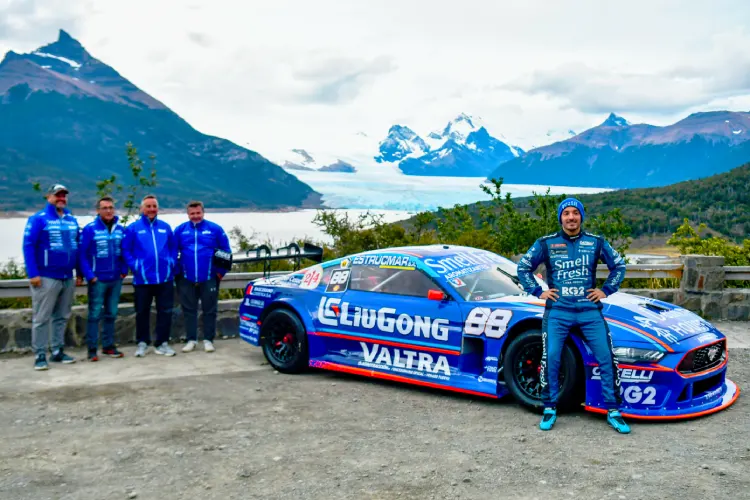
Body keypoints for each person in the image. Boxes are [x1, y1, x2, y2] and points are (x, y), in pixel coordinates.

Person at [516, 197, 630, 434]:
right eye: (566, 213)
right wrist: (539, 291)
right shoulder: (546, 243)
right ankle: (549, 407)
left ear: (581, 217)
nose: (570, 217)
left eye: (575, 213)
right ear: (561, 217)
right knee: (552, 357)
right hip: (558, 311)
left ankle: (613, 410)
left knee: (607, 357)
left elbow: (619, 266)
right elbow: (523, 267)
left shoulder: (596, 242)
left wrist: (605, 290)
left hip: (590, 311)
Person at [22, 184, 82, 370]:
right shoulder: (38, 219)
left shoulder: (71, 220)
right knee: (41, 317)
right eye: (57, 195)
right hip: (46, 277)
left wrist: (79, 272)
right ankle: (40, 354)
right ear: (48, 197)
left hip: (67, 276)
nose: (61, 198)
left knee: (62, 316)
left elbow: (76, 247)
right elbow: (28, 245)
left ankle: (57, 351)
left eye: (64, 195)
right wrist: (33, 273)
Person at [122, 195, 178, 357]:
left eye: (154, 206)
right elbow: (126, 250)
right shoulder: (133, 228)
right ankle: (142, 343)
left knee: (165, 311)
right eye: (148, 206)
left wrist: (170, 262)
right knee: (142, 312)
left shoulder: (166, 227)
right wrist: (135, 265)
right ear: (142, 209)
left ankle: (162, 343)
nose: (152, 209)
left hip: (164, 278)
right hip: (143, 279)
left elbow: (173, 247)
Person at [175, 201, 232, 353]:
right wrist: (177, 273)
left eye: (198, 213)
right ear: (188, 214)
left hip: (209, 277)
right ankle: (191, 340)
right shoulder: (180, 230)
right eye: (192, 213)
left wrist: (220, 273)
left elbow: (225, 250)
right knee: (189, 310)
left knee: (210, 310)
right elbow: (172, 252)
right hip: (186, 278)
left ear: (203, 213)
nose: (195, 216)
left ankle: (208, 340)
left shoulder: (215, 229)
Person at [79, 196, 128, 361]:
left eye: (110, 208)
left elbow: (124, 251)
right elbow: (82, 255)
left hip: (115, 279)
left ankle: (108, 346)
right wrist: (89, 276)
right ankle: (92, 349)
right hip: (97, 280)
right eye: (104, 208)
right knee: (94, 315)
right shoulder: (90, 229)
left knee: (111, 314)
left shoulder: (120, 229)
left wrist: (123, 270)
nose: (108, 211)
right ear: (98, 210)